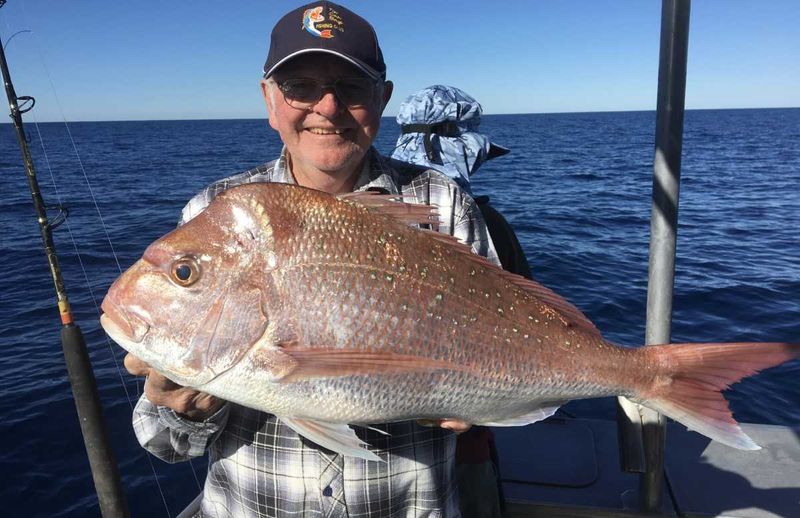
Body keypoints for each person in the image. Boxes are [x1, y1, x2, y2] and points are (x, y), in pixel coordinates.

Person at [124, 2, 500, 517]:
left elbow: (506, 348)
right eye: (300, 86)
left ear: (383, 98)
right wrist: (182, 412)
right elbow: (165, 444)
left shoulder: (443, 204)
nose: (327, 107)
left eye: (352, 88)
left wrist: (480, 403)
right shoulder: (213, 214)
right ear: (269, 99)